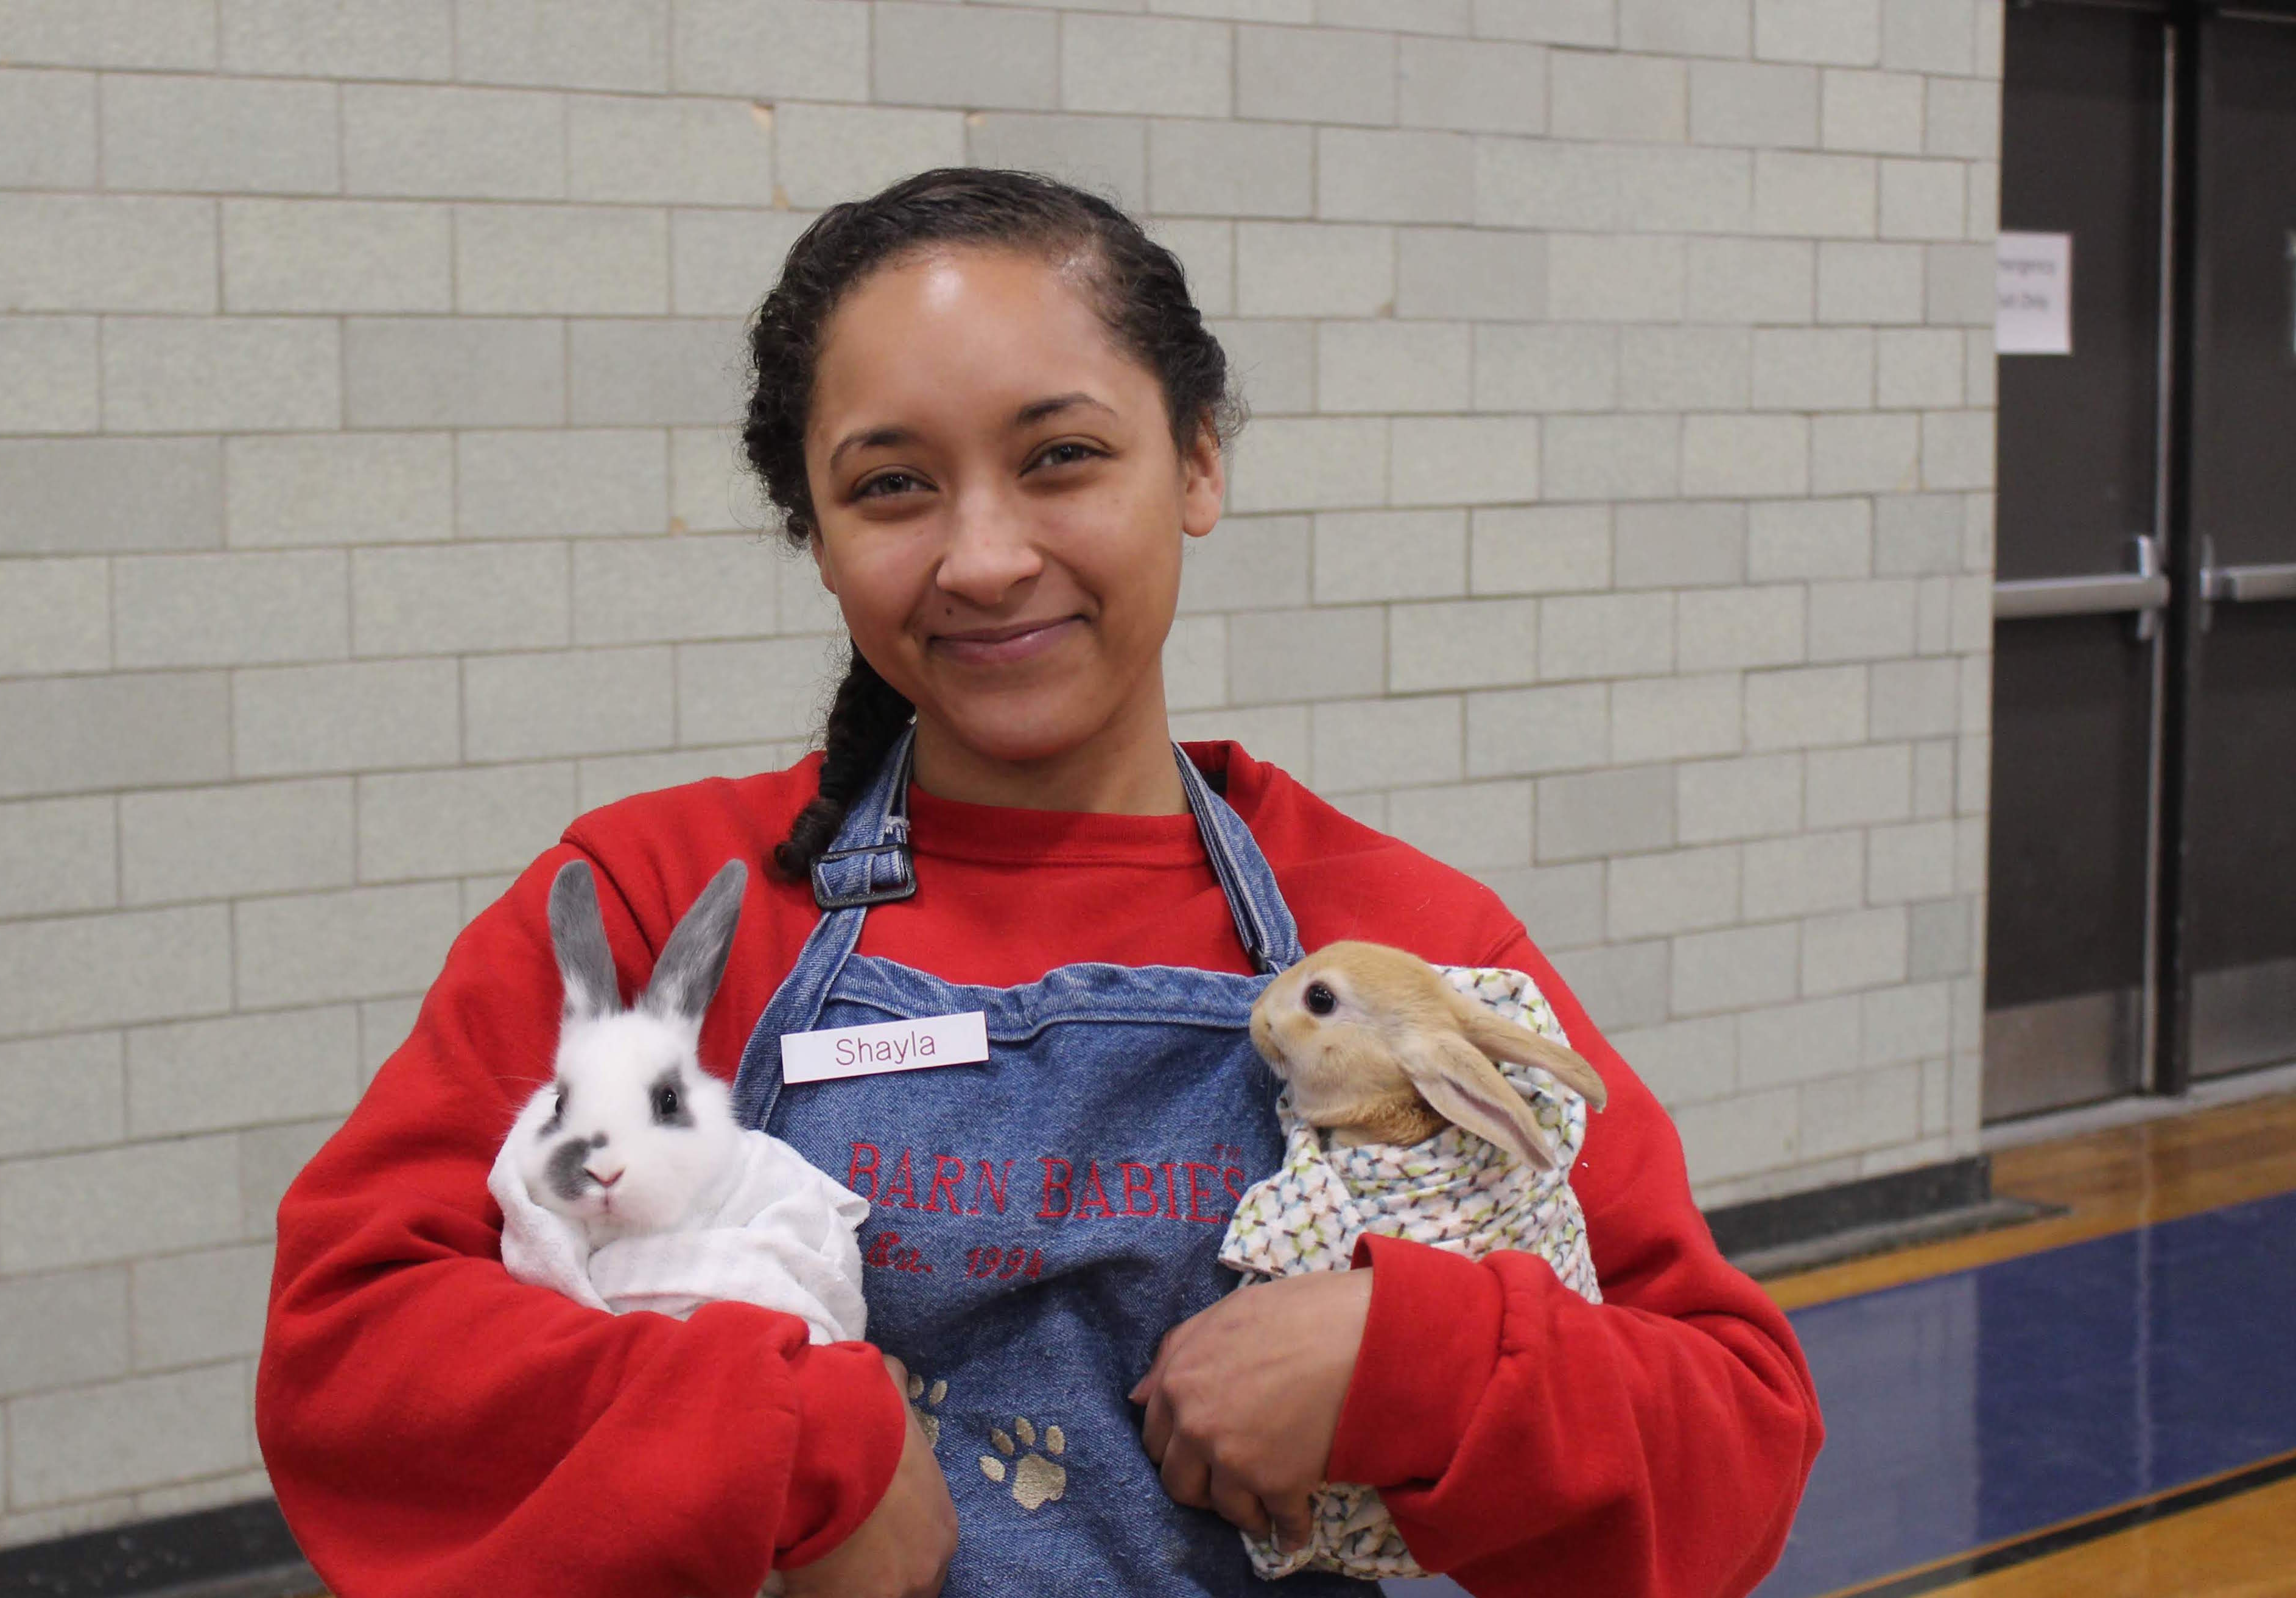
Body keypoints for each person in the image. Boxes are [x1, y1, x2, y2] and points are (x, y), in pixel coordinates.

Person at [256, 167, 1823, 1598]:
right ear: (815, 533)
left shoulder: (1402, 948)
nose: (985, 554)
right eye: (892, 487)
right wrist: (796, 1447)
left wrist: (1402, 1360)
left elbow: (1730, 1456)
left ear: (1197, 461)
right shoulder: (662, 904)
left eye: (1058, 457)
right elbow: (355, 1347)